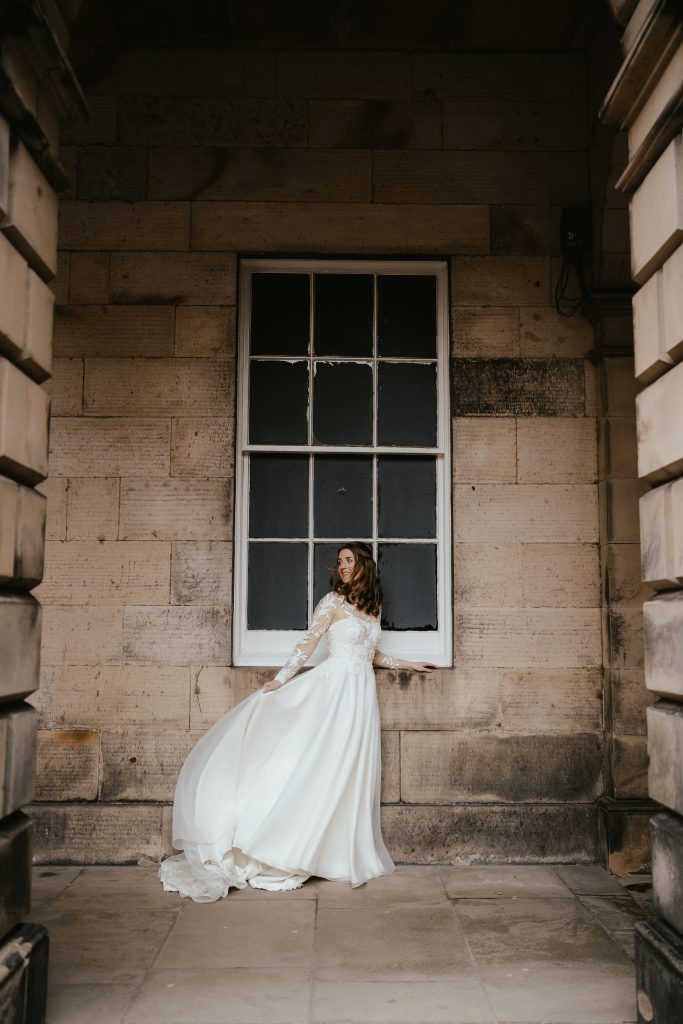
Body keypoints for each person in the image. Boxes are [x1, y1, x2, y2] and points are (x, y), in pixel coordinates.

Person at [158, 542, 437, 902]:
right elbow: (308, 644)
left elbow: (370, 654)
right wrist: (281, 680)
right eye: (340, 562)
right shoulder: (332, 602)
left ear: (365, 565)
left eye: (349, 561)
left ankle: (335, 849)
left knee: (349, 770)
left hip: (360, 696)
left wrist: (410, 664)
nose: (343, 567)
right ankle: (283, 844)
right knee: (318, 764)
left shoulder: (372, 608)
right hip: (333, 691)